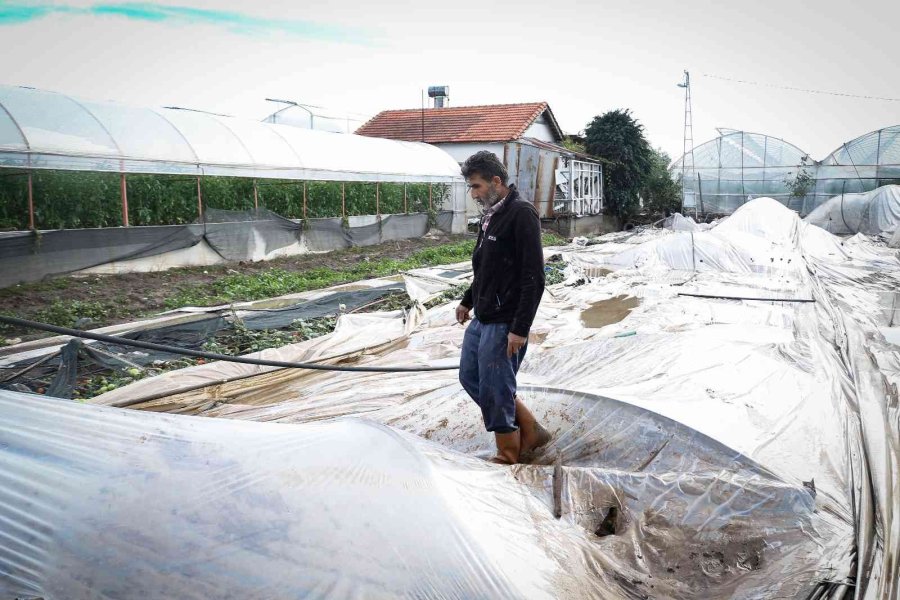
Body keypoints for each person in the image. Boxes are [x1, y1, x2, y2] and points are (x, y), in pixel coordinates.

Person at [455, 151, 551, 464]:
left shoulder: (521, 213)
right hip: (483, 316)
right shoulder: (491, 214)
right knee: (470, 377)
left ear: (496, 181)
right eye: (471, 187)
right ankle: (531, 428)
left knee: (496, 387)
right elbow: (487, 267)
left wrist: (519, 329)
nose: (474, 193)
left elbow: (533, 277)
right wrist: (468, 299)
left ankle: (508, 452)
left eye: (477, 186)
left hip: (504, 320)